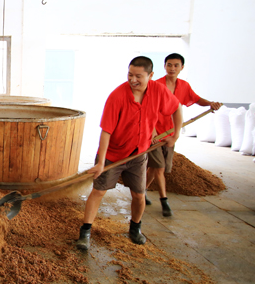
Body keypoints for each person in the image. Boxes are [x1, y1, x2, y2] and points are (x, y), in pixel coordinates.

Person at [76, 56, 182, 250]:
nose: (133, 80)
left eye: (138, 76)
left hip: (139, 155)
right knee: (99, 191)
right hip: (114, 154)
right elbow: (106, 131)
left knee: (139, 195)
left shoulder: (159, 91)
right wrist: (101, 163)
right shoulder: (117, 96)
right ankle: (85, 232)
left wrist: (175, 136)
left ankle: (135, 228)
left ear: (150, 75)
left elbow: (176, 108)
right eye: (130, 74)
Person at [145, 53, 222, 216]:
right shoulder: (155, 85)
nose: (172, 68)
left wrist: (211, 104)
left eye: (176, 65)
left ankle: (141, 192)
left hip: (171, 133)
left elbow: (196, 99)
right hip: (154, 133)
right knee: (159, 167)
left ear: (182, 67)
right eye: (169, 65)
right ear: (164, 66)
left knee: (156, 167)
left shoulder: (184, 86)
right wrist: (152, 132)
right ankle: (164, 201)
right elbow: (148, 111)